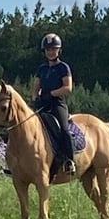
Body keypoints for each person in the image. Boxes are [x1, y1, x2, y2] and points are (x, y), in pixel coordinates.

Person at [33, 33, 76, 175]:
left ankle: (70, 161)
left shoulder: (63, 67)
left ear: (59, 50)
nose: (51, 52)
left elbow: (67, 87)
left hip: (57, 103)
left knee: (64, 129)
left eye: (53, 49)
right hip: (43, 104)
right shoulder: (42, 69)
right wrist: (36, 98)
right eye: (48, 50)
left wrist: (51, 94)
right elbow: (36, 87)